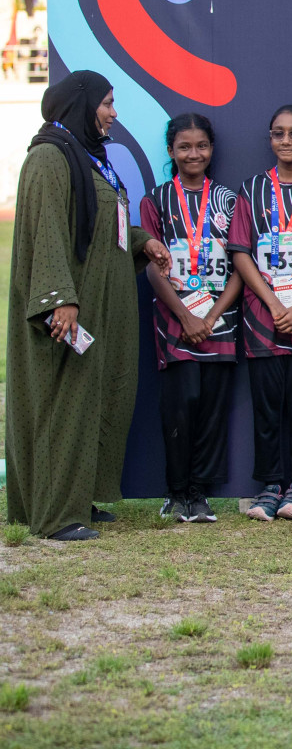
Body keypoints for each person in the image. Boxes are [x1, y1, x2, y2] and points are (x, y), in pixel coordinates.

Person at [5, 71, 171, 540]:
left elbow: (101, 224)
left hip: (101, 301)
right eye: (108, 103)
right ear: (82, 104)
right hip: (70, 307)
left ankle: (78, 500)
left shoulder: (90, 160)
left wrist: (143, 242)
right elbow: (47, 233)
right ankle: (56, 515)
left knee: (94, 402)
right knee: (64, 404)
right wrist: (61, 300)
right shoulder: (48, 159)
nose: (114, 113)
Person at [227, 105, 292, 522]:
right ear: (270, 139)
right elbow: (240, 252)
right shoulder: (250, 190)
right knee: (266, 407)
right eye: (278, 134)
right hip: (262, 317)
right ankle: (270, 484)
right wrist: (273, 302)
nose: (285, 141)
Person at [140, 115, 243, 523]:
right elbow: (151, 267)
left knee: (212, 409)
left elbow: (241, 266)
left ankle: (199, 493)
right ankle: (176, 491)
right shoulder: (156, 200)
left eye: (201, 145)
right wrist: (184, 315)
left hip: (220, 323)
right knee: (179, 409)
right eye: (184, 146)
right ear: (170, 151)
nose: (193, 153)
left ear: (211, 149)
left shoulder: (230, 200)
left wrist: (211, 316)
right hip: (175, 323)